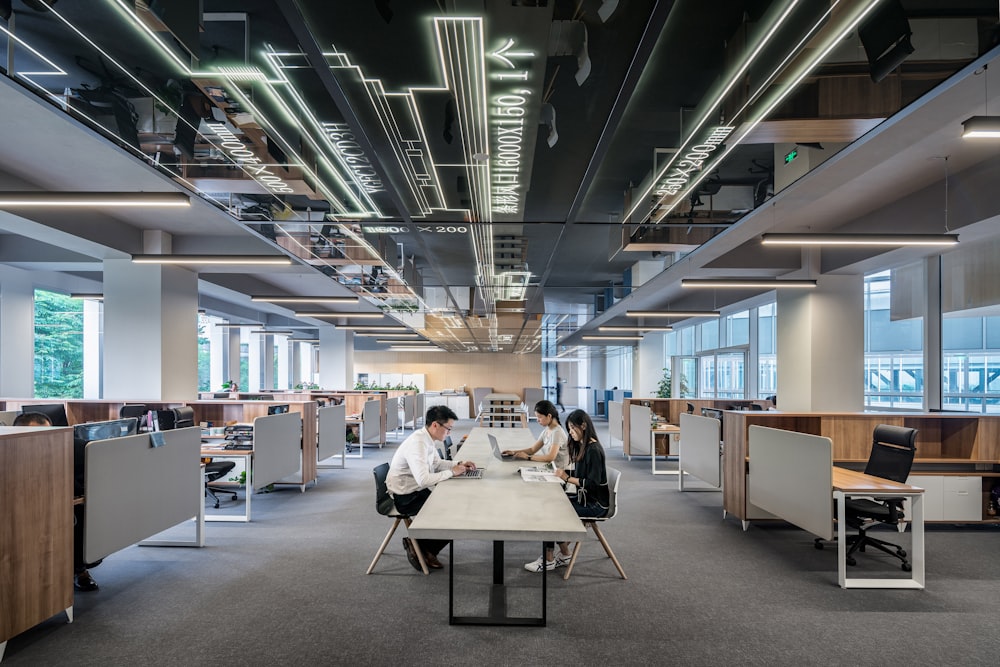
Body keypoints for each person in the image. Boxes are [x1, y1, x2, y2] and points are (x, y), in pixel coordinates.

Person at [11, 411, 101, 591]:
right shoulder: (10, 455)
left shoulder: (72, 448)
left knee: (81, 515)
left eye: (48, 433)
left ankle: (78, 569)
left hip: (59, 503)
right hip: (19, 508)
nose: (44, 439)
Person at [386, 405, 475, 571]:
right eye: (448, 429)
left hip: (415, 490)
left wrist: (459, 464)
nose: (449, 433)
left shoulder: (427, 439)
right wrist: (452, 473)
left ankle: (421, 546)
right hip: (406, 497)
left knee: (457, 508)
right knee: (454, 515)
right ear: (435, 425)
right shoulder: (417, 443)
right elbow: (423, 480)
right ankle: (421, 547)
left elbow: (437, 463)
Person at [524, 409, 609, 573]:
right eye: (568, 429)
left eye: (572, 428)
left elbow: (592, 484)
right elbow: (581, 475)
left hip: (596, 505)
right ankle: (564, 554)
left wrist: (567, 478)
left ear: (583, 426)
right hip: (584, 498)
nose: (570, 433)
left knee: (551, 512)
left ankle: (549, 559)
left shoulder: (594, 450)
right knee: (550, 504)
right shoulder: (585, 447)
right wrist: (562, 474)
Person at [503, 400, 569, 470]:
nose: (537, 420)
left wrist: (528, 457)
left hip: (559, 473)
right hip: (550, 467)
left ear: (549, 416)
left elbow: (550, 457)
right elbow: (532, 450)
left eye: (539, 417)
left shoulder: (557, 432)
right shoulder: (547, 430)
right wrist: (513, 452)